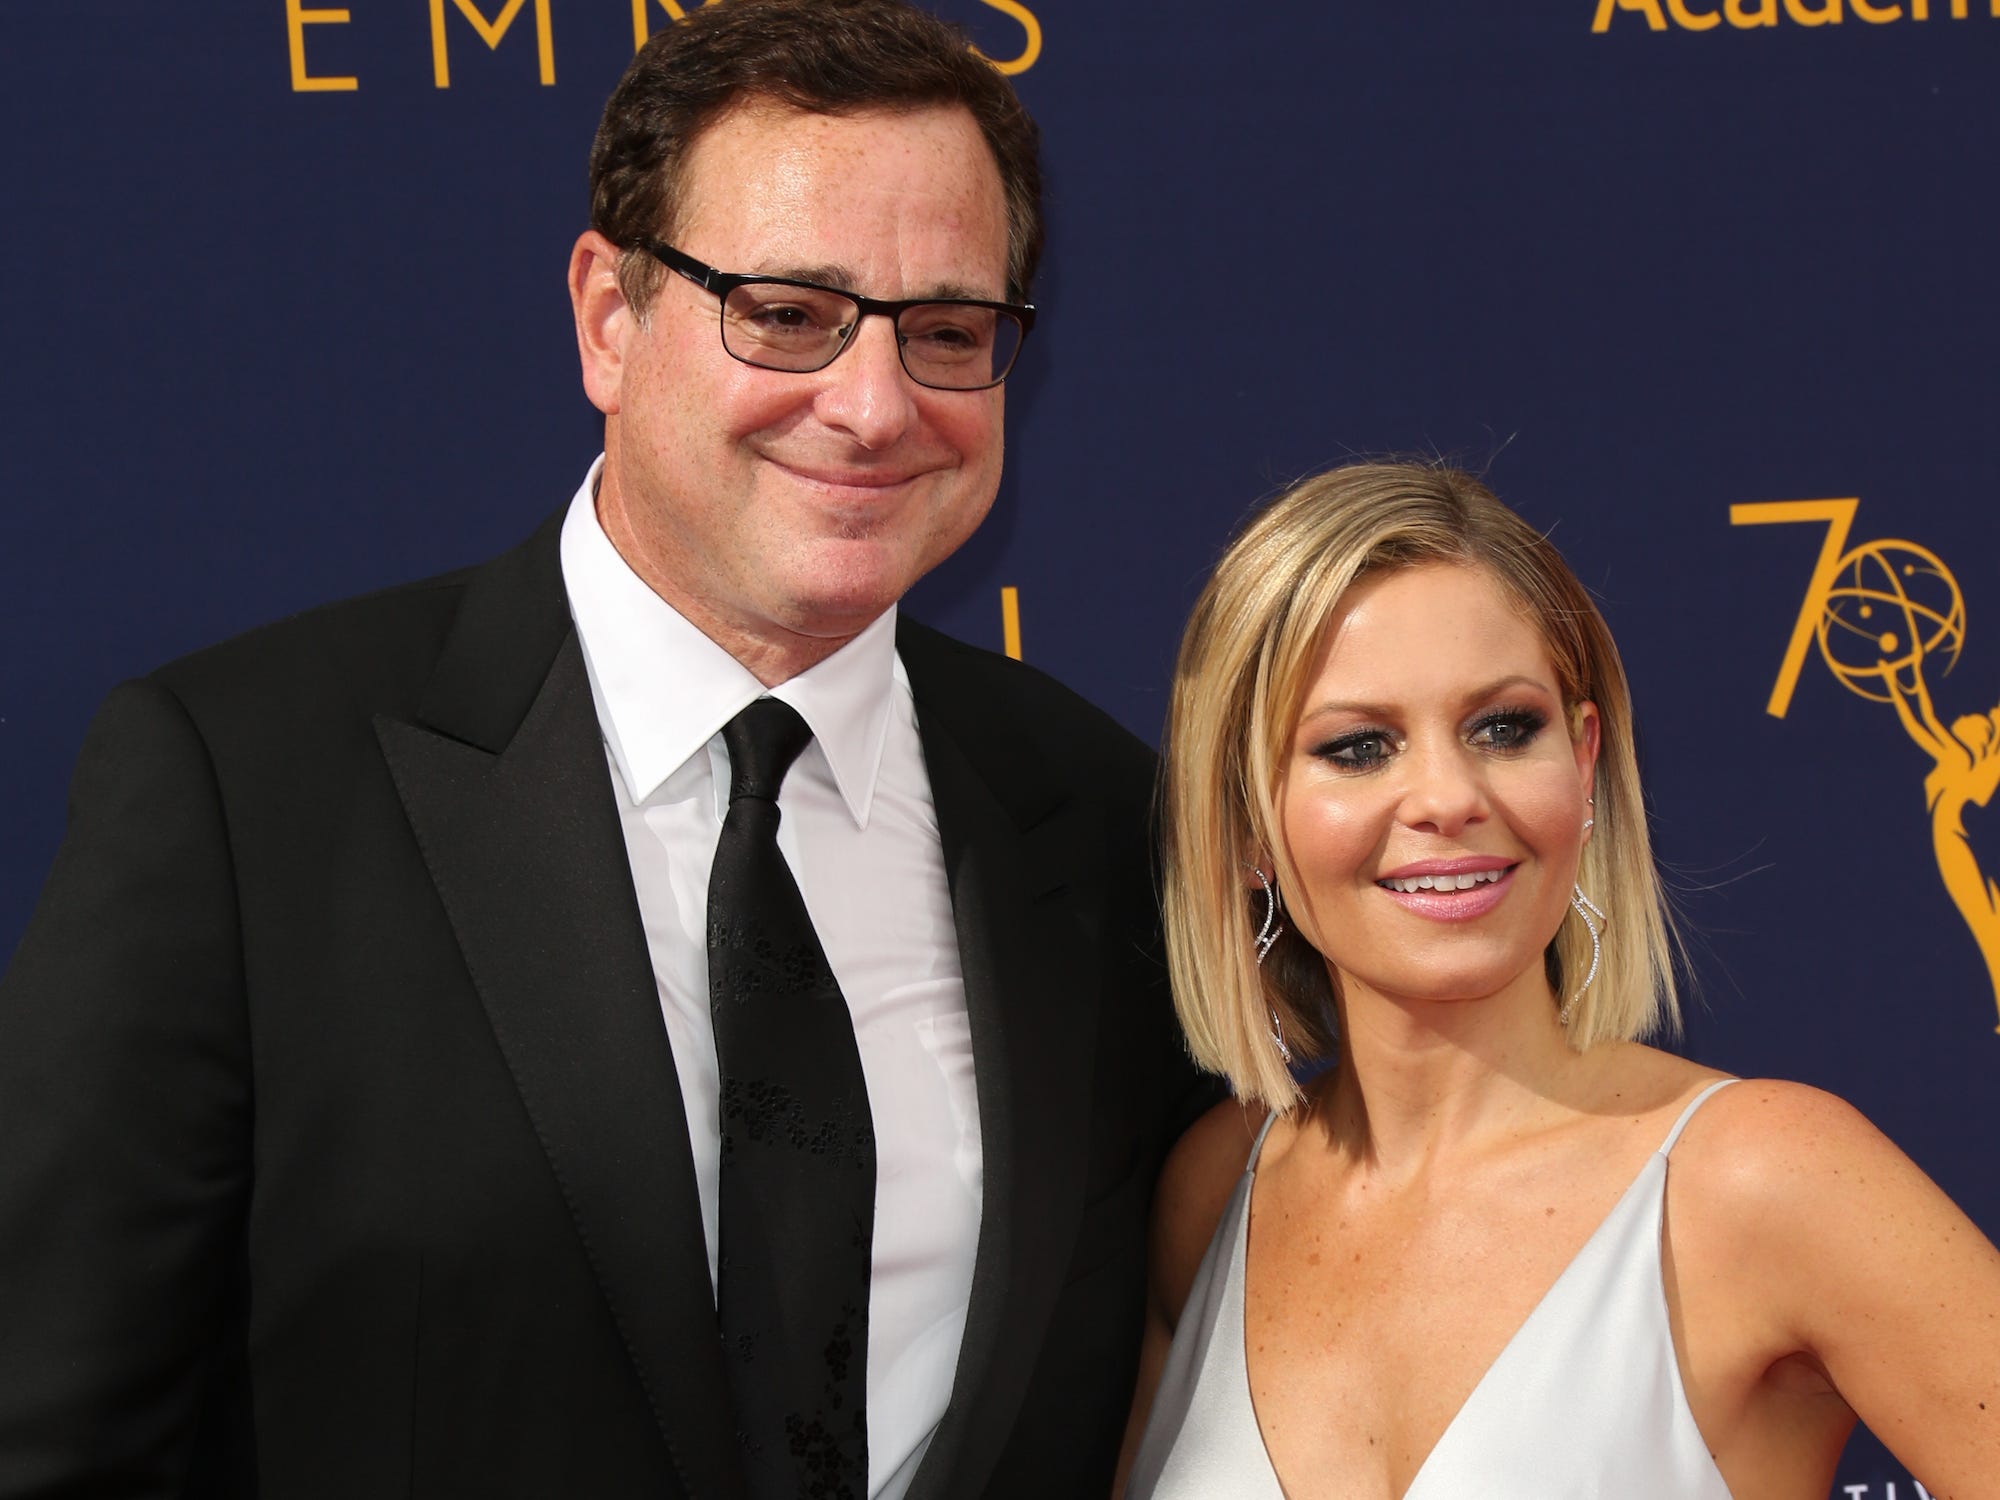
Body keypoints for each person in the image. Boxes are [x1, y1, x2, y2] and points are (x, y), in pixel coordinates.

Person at [0, 2, 1207, 1495]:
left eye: (948, 332)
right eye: (785, 312)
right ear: (607, 320)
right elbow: (57, 1437)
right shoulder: (246, 791)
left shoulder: (1099, 819)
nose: (875, 403)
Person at [1116, 463, 2000, 1499]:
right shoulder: (1213, 1189)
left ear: (1583, 764)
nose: (1445, 796)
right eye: (1358, 747)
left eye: (1502, 728)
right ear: (1245, 826)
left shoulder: (1758, 1183)